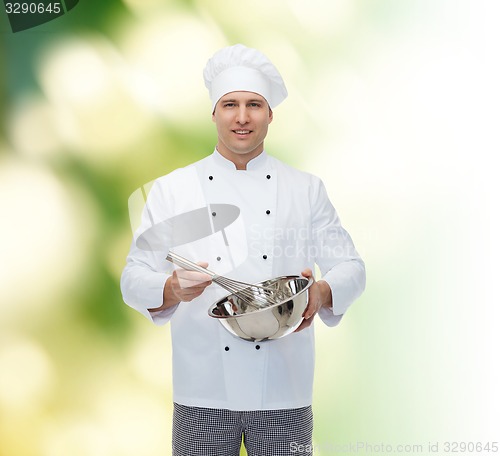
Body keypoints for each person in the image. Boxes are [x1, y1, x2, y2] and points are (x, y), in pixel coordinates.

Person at [121, 44, 366, 456]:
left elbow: (352, 268)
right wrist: (171, 288)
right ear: (213, 113)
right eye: (230, 104)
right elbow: (132, 277)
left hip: (283, 392)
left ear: (270, 114)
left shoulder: (304, 190)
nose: (242, 116)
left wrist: (321, 293)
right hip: (203, 392)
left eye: (254, 104)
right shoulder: (174, 190)